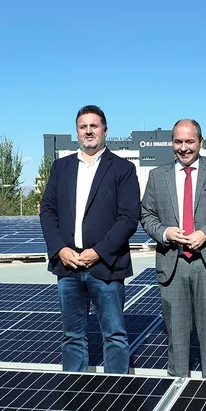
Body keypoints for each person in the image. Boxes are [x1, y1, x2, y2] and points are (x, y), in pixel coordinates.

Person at [39, 105, 141, 374]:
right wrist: (59, 248)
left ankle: (118, 400)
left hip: (105, 266)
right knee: (72, 337)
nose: (88, 131)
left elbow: (129, 217)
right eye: (83, 127)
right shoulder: (61, 168)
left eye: (94, 126)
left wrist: (99, 251)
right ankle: (76, 398)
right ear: (77, 132)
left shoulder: (123, 169)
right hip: (68, 266)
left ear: (105, 131)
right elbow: (47, 210)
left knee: (115, 337)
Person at [140, 118, 206, 378]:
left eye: (189, 141)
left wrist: (205, 234)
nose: (183, 148)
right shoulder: (157, 176)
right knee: (176, 339)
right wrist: (164, 232)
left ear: (200, 142)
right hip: (172, 265)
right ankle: (177, 403)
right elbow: (146, 216)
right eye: (178, 141)